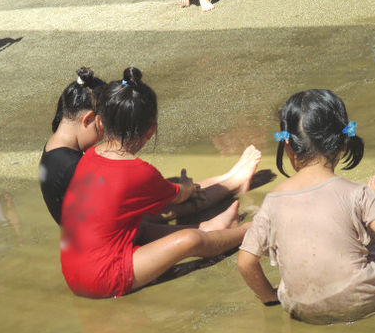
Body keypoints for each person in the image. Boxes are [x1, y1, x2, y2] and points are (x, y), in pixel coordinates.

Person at [236, 89, 375, 324]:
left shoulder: (273, 201)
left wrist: (271, 298)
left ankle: (368, 214)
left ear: (288, 147)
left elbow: (245, 262)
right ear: (344, 142)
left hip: (302, 310)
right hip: (366, 297)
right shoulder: (355, 193)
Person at [60, 67, 258, 298]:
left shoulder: (90, 157)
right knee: (188, 241)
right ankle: (246, 230)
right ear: (151, 131)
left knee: (137, 225)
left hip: (74, 272)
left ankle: (211, 226)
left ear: (100, 123)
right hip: (102, 278)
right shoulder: (138, 171)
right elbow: (180, 196)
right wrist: (185, 186)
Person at [39, 67, 106, 225]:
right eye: (104, 126)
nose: (104, 135)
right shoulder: (72, 166)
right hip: (95, 243)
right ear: (88, 119)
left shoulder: (53, 147)